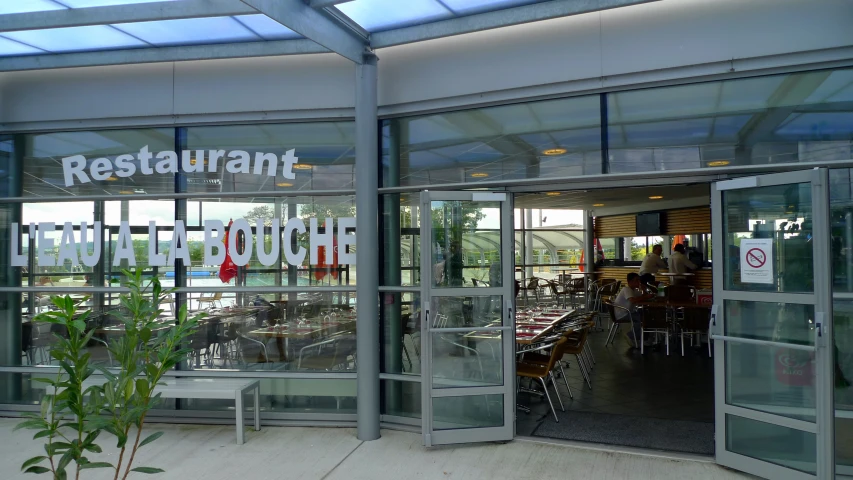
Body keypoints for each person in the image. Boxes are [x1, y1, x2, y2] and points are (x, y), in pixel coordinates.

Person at [613, 273, 655, 348]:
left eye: (639, 280)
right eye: (636, 280)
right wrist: (646, 296)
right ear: (630, 281)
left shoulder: (634, 290)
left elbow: (643, 297)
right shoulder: (627, 289)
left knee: (645, 315)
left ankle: (643, 339)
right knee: (641, 318)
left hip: (627, 312)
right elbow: (632, 300)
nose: (638, 282)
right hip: (622, 314)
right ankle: (631, 336)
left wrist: (644, 290)